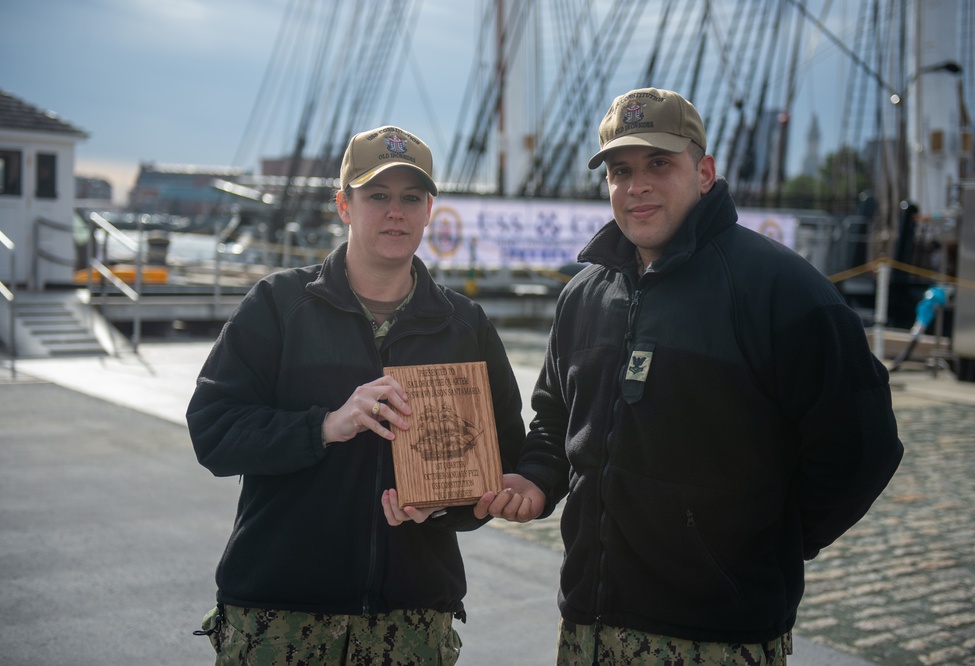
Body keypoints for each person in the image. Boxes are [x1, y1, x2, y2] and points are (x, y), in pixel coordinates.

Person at [477, 88, 904, 664]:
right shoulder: (583, 296)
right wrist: (537, 477)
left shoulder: (781, 291)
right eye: (621, 170)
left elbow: (862, 447)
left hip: (717, 638)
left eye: (660, 163)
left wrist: (767, 542)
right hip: (587, 625)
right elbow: (555, 419)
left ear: (704, 172)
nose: (638, 185)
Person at [188, 125, 526, 665]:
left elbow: (503, 457)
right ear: (344, 205)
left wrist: (444, 506)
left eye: (411, 198)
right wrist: (324, 425)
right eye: (377, 197)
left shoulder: (465, 325)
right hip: (281, 618)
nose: (396, 212)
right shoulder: (278, 306)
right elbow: (213, 431)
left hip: (412, 619)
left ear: (428, 210)